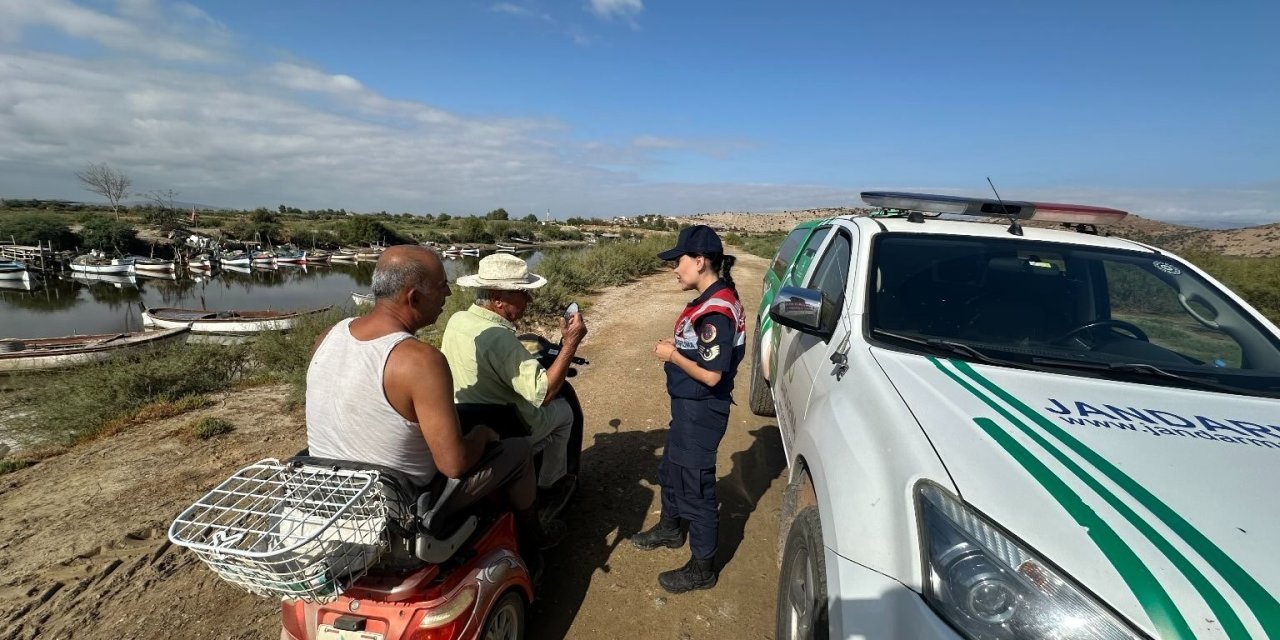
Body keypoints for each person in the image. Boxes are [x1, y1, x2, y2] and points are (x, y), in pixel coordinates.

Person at [305, 245, 560, 576]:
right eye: (441, 286)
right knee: (519, 450)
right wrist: (482, 435)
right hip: (403, 504)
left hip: (330, 493)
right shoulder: (420, 361)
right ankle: (534, 544)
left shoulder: (328, 336)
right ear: (413, 298)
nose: (448, 293)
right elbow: (454, 464)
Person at [631, 225, 746, 594]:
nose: (674, 270)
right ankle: (669, 529)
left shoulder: (716, 310)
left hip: (702, 411)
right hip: (687, 408)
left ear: (700, 261)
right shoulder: (706, 298)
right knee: (672, 470)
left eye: (678, 261)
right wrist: (679, 348)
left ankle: (702, 568)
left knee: (697, 487)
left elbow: (712, 376)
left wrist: (673, 355)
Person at [440, 252, 587, 517]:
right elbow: (545, 393)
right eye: (522, 293)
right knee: (564, 414)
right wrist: (570, 344)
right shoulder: (500, 338)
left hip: (468, 419)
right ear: (497, 299)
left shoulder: (457, 320)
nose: (528, 299)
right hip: (509, 426)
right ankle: (549, 487)